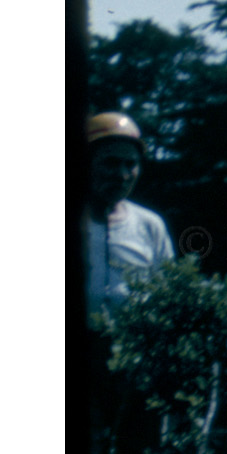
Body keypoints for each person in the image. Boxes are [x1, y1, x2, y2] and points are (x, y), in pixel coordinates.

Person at [80, 112, 176, 322]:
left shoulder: (150, 225)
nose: (122, 175)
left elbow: (169, 296)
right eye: (110, 163)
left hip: (131, 350)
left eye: (130, 164)